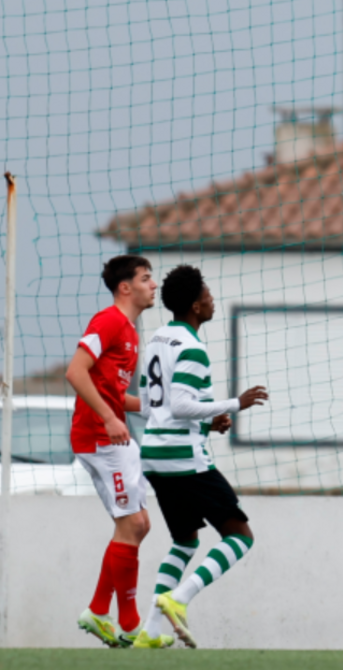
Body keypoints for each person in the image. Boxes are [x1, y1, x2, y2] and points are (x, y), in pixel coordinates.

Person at [134, 265, 269, 649]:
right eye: (207, 295)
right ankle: (180, 598)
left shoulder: (157, 340)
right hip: (183, 460)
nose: (212, 301)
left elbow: (149, 404)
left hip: (154, 455)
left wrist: (208, 423)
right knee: (240, 536)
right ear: (195, 305)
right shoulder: (193, 347)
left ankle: (151, 632)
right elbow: (179, 405)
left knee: (185, 542)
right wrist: (234, 404)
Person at [66, 255, 158, 647]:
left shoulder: (130, 332)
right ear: (125, 287)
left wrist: (156, 407)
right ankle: (131, 625)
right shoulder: (108, 321)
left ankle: (99, 611)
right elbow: (75, 371)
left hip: (115, 437)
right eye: (146, 278)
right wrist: (107, 418)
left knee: (139, 524)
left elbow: (115, 394)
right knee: (132, 524)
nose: (153, 285)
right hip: (99, 438)